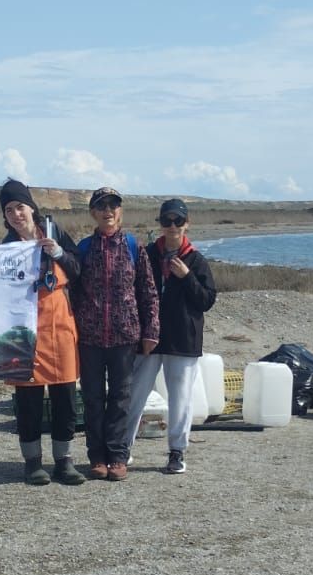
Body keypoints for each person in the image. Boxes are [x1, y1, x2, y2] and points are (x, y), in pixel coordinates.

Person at [0, 179, 85, 486]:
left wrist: (60, 253)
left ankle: (64, 460)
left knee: (65, 397)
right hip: (25, 330)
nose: (16, 214)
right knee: (29, 400)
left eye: (20, 207)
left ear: (31, 208)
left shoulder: (55, 232)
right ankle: (32, 461)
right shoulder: (5, 249)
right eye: (9, 210)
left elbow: (78, 270)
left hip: (60, 325)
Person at [123, 198, 216, 475]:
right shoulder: (148, 254)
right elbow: (134, 289)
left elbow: (207, 300)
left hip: (183, 340)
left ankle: (177, 452)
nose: (172, 226)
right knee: (135, 393)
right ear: (160, 224)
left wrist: (187, 276)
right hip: (149, 338)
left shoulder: (196, 260)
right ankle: (122, 448)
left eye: (178, 221)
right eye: (167, 221)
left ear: (187, 224)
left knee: (181, 399)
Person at [71, 187, 158, 481]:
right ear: (93, 213)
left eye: (113, 206)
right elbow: (72, 292)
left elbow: (147, 291)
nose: (108, 211)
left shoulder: (134, 247)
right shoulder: (83, 248)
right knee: (93, 398)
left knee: (121, 398)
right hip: (90, 338)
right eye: (102, 206)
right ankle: (96, 456)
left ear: (120, 211)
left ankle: (118, 456)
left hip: (125, 336)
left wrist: (151, 331)